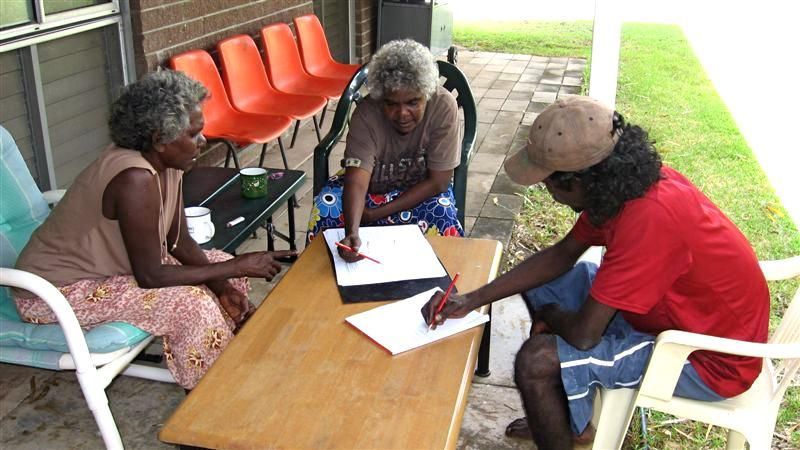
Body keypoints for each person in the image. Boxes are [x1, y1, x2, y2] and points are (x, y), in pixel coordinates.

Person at [422, 97, 769, 449]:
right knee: (550, 283)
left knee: (536, 362)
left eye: (548, 184)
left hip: (704, 358)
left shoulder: (649, 218)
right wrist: (471, 299)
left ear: (577, 181)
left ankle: (562, 431)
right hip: (675, 316)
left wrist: (551, 317)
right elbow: (562, 254)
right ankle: (570, 422)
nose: (547, 191)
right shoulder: (619, 189)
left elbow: (585, 335)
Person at [13, 70, 294, 390]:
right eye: (193, 135)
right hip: (55, 291)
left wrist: (223, 285)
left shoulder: (168, 163)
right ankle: (212, 396)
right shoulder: (134, 179)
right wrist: (237, 265)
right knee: (190, 304)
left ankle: (226, 350)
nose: (202, 142)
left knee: (218, 263)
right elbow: (151, 276)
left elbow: (178, 242)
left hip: (110, 273)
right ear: (160, 139)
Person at [308, 39, 463, 262]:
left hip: (421, 191)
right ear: (380, 98)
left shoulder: (443, 107)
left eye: (413, 102)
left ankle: (440, 287)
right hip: (371, 191)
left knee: (443, 213)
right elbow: (357, 181)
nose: (402, 113)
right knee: (326, 206)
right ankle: (319, 288)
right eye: (391, 104)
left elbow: (438, 182)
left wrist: (376, 214)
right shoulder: (366, 114)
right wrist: (352, 232)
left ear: (427, 94)